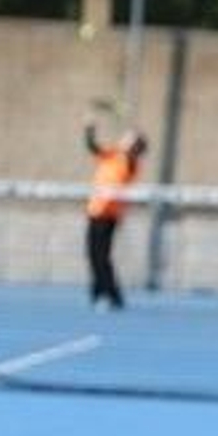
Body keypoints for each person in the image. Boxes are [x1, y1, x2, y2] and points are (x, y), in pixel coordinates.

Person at [82, 117, 147, 310]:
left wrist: (132, 141)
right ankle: (98, 292)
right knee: (92, 255)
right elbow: (93, 148)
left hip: (108, 215)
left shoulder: (130, 162)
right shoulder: (113, 154)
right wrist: (89, 131)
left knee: (102, 256)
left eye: (129, 140)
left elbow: (129, 160)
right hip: (95, 210)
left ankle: (112, 295)